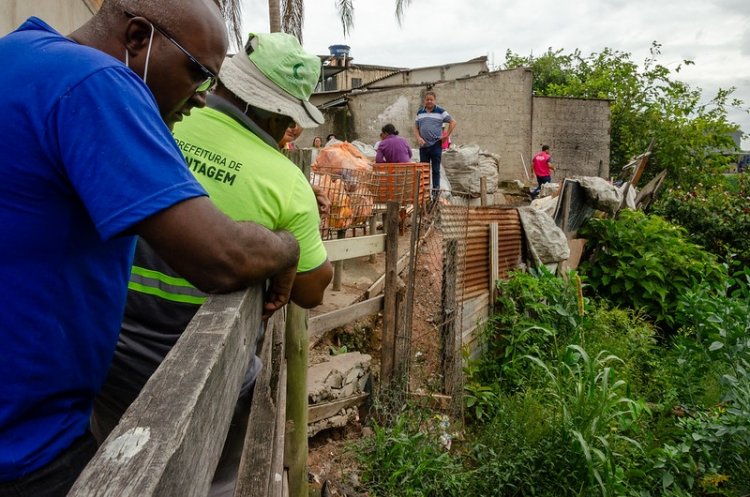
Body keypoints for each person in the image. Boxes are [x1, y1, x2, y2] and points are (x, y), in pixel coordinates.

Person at [0, 2, 300, 495]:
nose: (202, 99)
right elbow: (220, 256)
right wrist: (286, 248)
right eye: (198, 73)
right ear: (138, 38)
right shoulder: (98, 82)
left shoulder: (18, 54)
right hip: (25, 447)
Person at [91, 31, 333, 497]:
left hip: (109, 351)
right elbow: (311, 291)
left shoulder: (152, 121)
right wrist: (289, 245)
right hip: (208, 374)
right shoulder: (288, 182)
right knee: (217, 476)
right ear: (283, 114)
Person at [415, 90, 457, 196]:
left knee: (435, 170)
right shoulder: (420, 112)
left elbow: (453, 122)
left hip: (435, 145)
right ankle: (424, 194)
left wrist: (446, 136)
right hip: (423, 146)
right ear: (425, 100)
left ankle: (435, 194)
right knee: (424, 170)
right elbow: (416, 127)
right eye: (427, 99)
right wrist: (418, 137)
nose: (429, 101)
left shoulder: (441, 111)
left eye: (431, 100)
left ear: (435, 100)